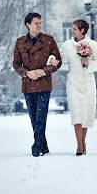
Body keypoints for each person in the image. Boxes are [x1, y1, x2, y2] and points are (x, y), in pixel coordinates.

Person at [12, 12, 62, 157]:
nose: (39, 25)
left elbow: (57, 61)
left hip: (44, 85)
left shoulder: (49, 40)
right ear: (28, 25)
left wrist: (44, 71)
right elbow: (16, 64)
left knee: (41, 116)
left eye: (40, 22)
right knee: (33, 117)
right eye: (36, 23)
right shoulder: (20, 42)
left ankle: (36, 145)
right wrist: (26, 73)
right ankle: (43, 145)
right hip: (28, 84)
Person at [57, 19, 97, 156]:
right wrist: (53, 60)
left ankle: (83, 142)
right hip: (73, 83)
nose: (72, 31)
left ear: (83, 30)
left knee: (86, 114)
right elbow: (60, 59)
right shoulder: (67, 45)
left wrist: (87, 63)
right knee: (77, 113)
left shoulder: (93, 45)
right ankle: (79, 145)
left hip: (88, 83)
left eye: (75, 29)